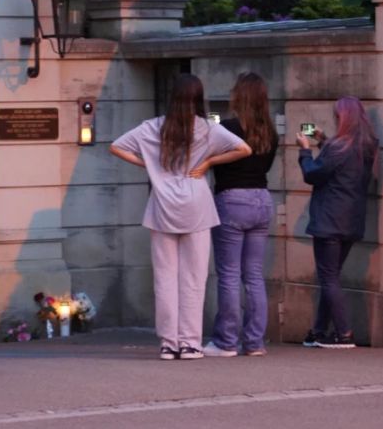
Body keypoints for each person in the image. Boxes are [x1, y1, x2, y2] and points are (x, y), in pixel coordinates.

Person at [110, 73, 251, 361]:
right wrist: (209, 161)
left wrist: (149, 167)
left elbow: (117, 146)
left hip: (162, 205)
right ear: (199, 98)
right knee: (194, 277)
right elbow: (243, 149)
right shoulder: (207, 129)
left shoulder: (152, 127)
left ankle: (168, 343)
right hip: (196, 203)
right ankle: (190, 343)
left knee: (164, 277)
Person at [199, 72, 278, 358]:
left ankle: (226, 341)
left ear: (238, 97)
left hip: (232, 199)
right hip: (262, 199)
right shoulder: (270, 131)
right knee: (254, 275)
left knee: (229, 274)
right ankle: (255, 342)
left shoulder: (228, 128)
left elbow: (209, 156)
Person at [296, 96, 378, 349]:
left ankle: (344, 334)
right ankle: (318, 331)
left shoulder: (338, 147)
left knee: (329, 277)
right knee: (329, 276)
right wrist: (323, 140)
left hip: (329, 220)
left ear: (342, 118)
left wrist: (304, 150)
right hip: (351, 220)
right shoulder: (367, 145)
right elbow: (340, 162)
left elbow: (313, 174)